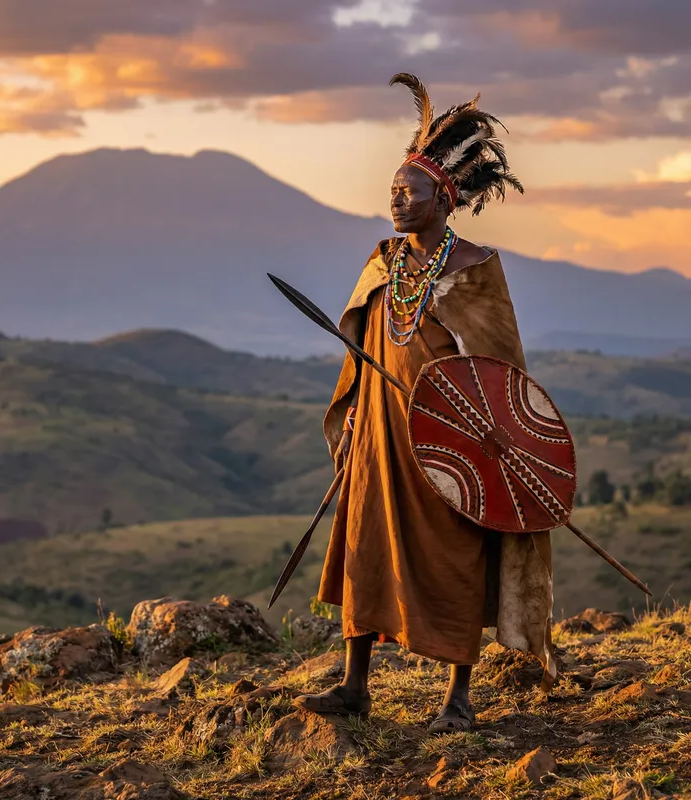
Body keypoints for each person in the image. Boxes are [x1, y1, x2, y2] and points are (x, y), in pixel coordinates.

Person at [293, 73, 556, 732]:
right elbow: (358, 348)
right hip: (379, 435)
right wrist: (352, 412)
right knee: (363, 547)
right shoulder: (382, 263)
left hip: (450, 443)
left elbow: (501, 366)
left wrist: (496, 433)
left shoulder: (474, 269)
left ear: (442, 197)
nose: (396, 204)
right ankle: (354, 684)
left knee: (456, 558)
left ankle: (457, 698)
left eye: (408, 193)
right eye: (391, 194)